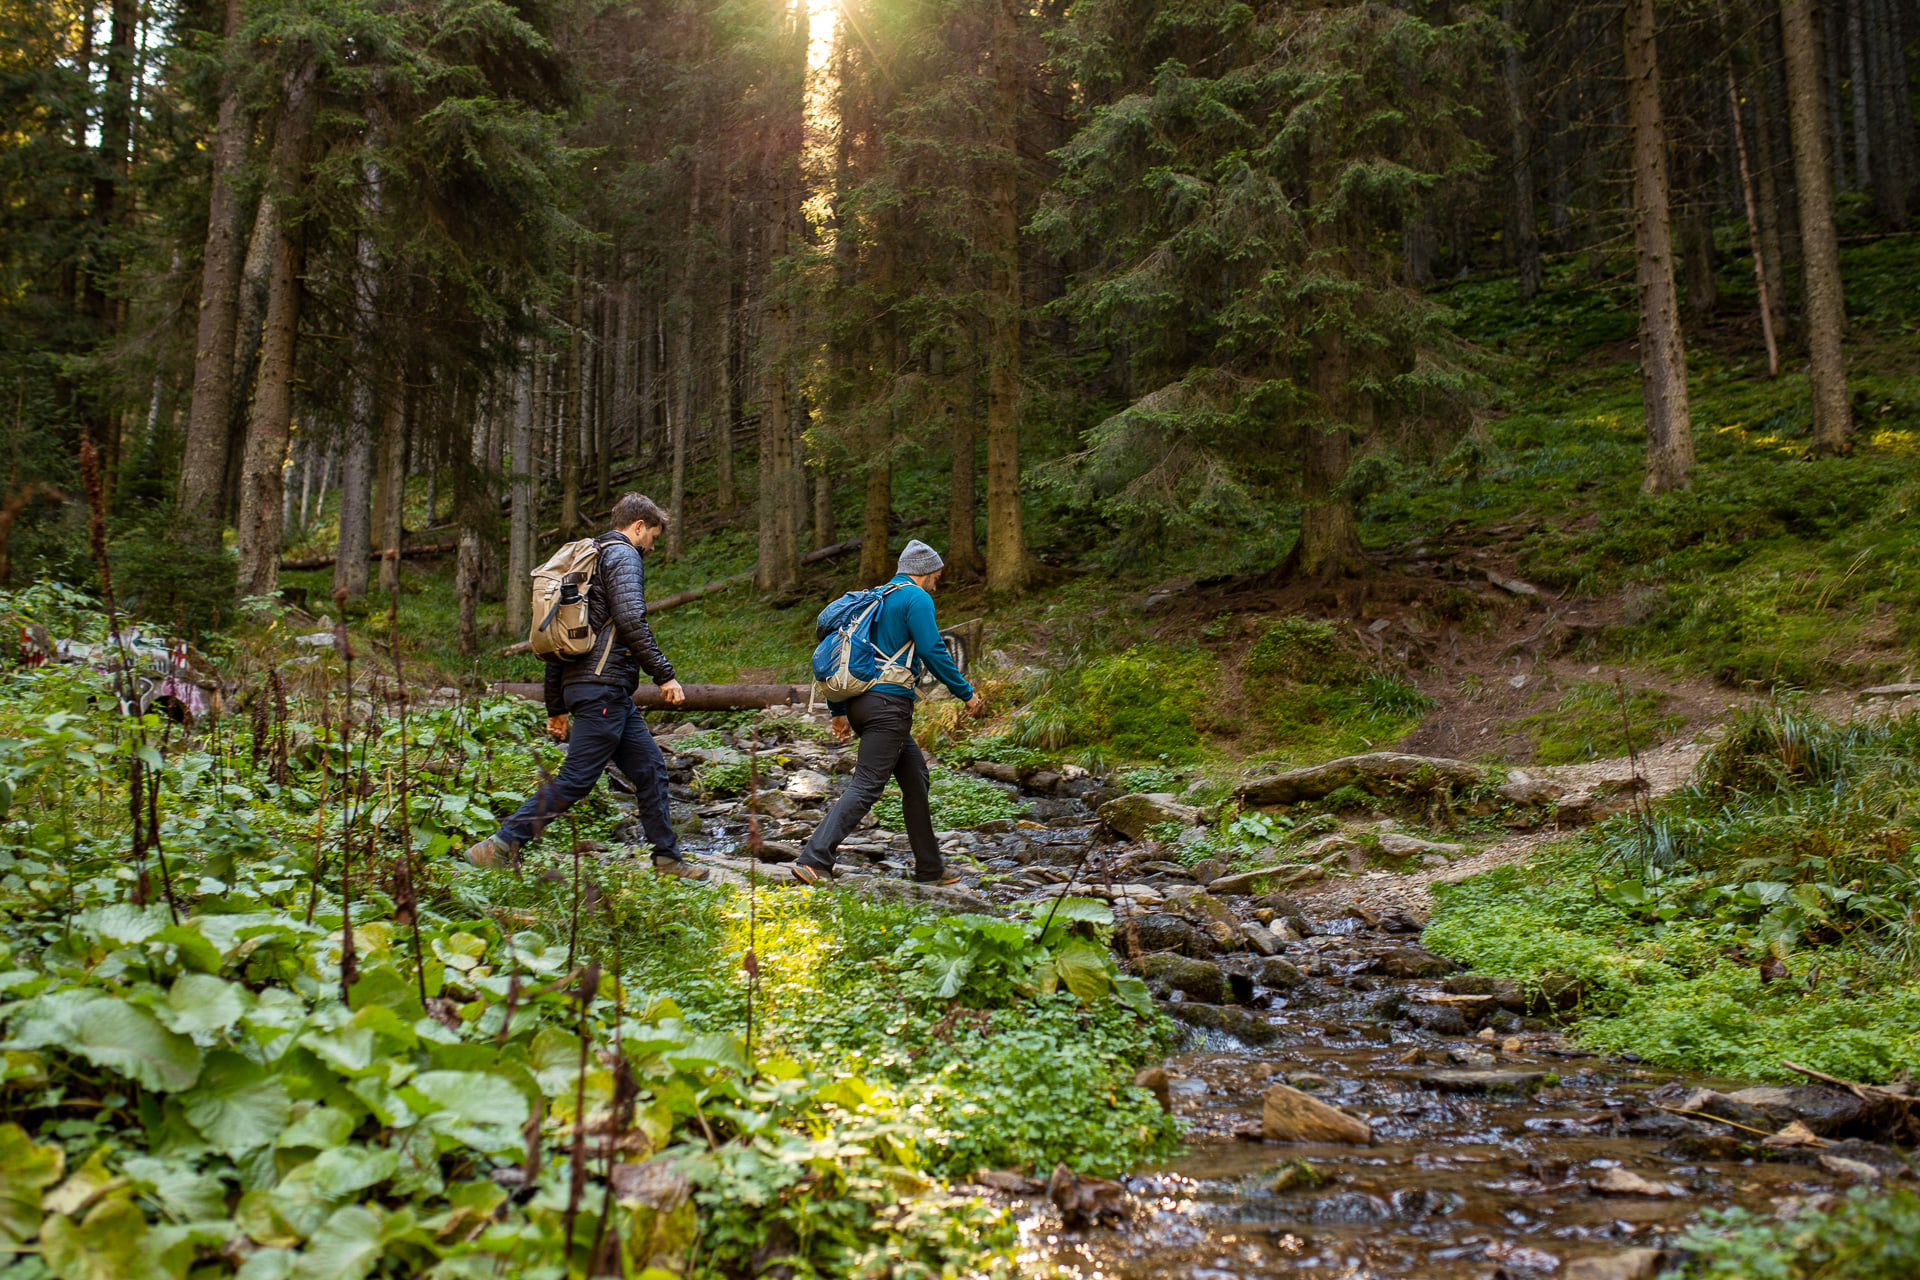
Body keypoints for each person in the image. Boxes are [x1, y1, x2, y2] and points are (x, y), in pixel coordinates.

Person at [465, 493, 706, 880]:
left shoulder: (586, 563)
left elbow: (557, 639)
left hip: (598, 688)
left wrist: (555, 704)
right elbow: (631, 618)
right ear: (638, 526)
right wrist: (664, 674)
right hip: (602, 689)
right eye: (653, 537)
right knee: (575, 780)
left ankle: (667, 861)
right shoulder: (623, 555)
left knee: (649, 768)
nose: (652, 547)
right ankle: (499, 845)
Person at [792, 539, 985, 887]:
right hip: (887, 707)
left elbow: (842, 654)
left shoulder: (874, 598)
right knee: (866, 785)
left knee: (915, 779)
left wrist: (837, 712)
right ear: (925, 572)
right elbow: (932, 648)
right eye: (936, 577)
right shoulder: (916, 597)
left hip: (860, 705)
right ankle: (813, 858)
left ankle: (930, 867)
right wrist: (966, 694)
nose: (936, 584)